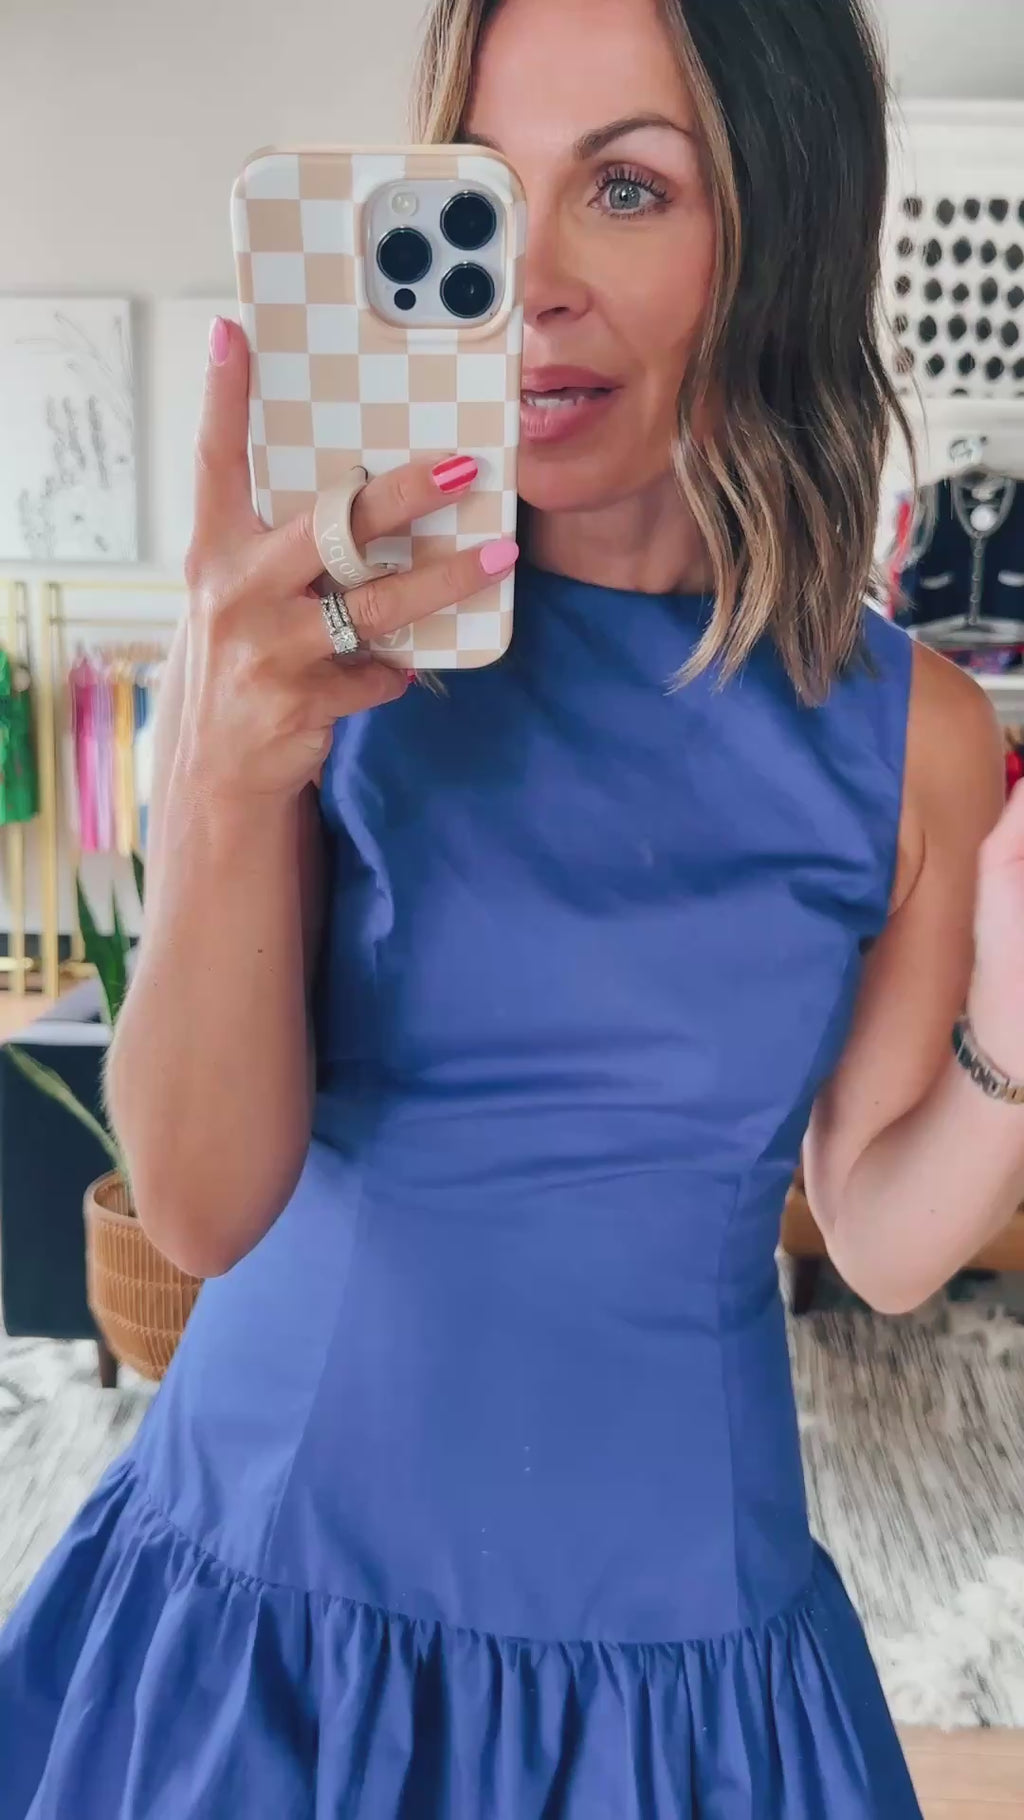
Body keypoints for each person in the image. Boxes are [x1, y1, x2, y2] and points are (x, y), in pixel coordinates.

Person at [4, 0, 1024, 1813]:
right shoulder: (322, 636)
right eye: (483, 189)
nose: (528, 284)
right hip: (272, 1613)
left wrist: (1011, 1032)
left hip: (676, 1663)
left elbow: (875, 1235)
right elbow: (200, 1203)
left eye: (627, 189)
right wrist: (223, 769)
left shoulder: (914, 739)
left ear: (780, 224)